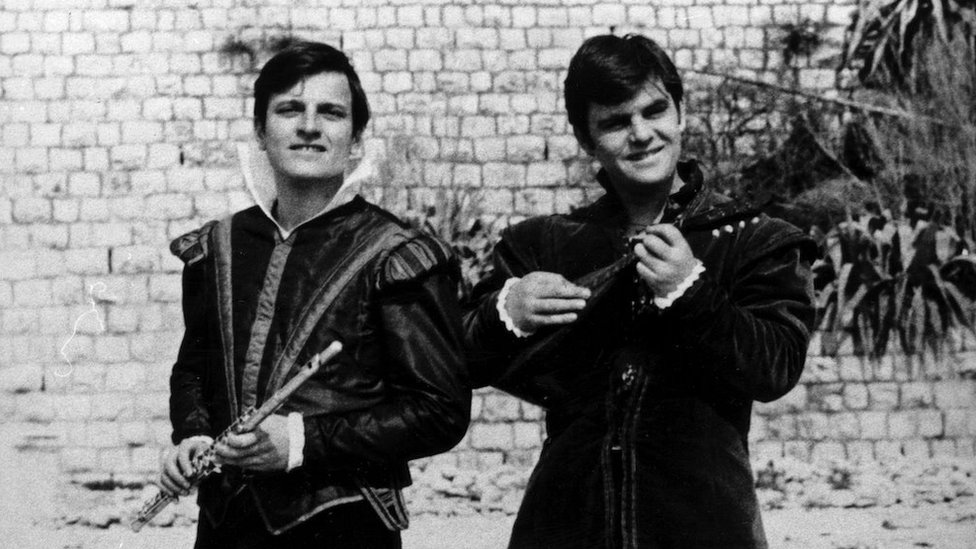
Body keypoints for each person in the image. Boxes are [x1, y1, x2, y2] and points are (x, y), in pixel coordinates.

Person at [463, 34, 817, 549]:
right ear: (585, 138)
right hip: (567, 528)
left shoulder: (753, 240)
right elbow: (460, 358)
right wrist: (507, 311)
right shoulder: (545, 245)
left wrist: (692, 291)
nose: (642, 134)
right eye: (615, 122)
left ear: (681, 113)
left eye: (655, 111)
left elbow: (775, 366)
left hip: (703, 529)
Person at [159, 41, 470, 549]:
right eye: (289, 110)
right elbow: (195, 367)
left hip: (343, 529)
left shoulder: (395, 253)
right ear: (260, 131)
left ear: (355, 137)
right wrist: (192, 434)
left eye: (331, 112)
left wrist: (300, 442)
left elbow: (438, 412)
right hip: (225, 529)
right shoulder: (218, 245)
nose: (309, 126)